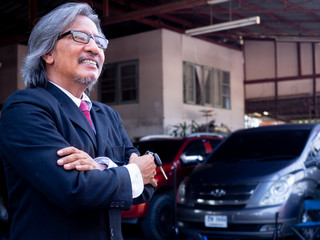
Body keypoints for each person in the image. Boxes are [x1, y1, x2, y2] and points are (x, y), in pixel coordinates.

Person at [0, 2, 157, 240]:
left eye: (99, 42)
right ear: (48, 52)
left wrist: (100, 167)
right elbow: (74, 189)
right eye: (81, 37)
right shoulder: (25, 108)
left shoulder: (108, 115)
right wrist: (129, 172)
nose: (94, 49)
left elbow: (146, 187)